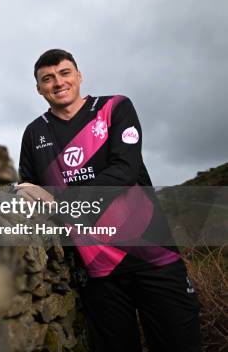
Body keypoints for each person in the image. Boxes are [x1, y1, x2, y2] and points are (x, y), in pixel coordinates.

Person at [17, 49, 200, 351]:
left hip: (154, 258)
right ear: (39, 89)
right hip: (97, 272)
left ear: (78, 76)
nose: (58, 82)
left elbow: (125, 171)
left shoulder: (115, 107)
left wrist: (60, 199)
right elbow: (27, 187)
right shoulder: (34, 132)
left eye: (64, 73)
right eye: (47, 79)